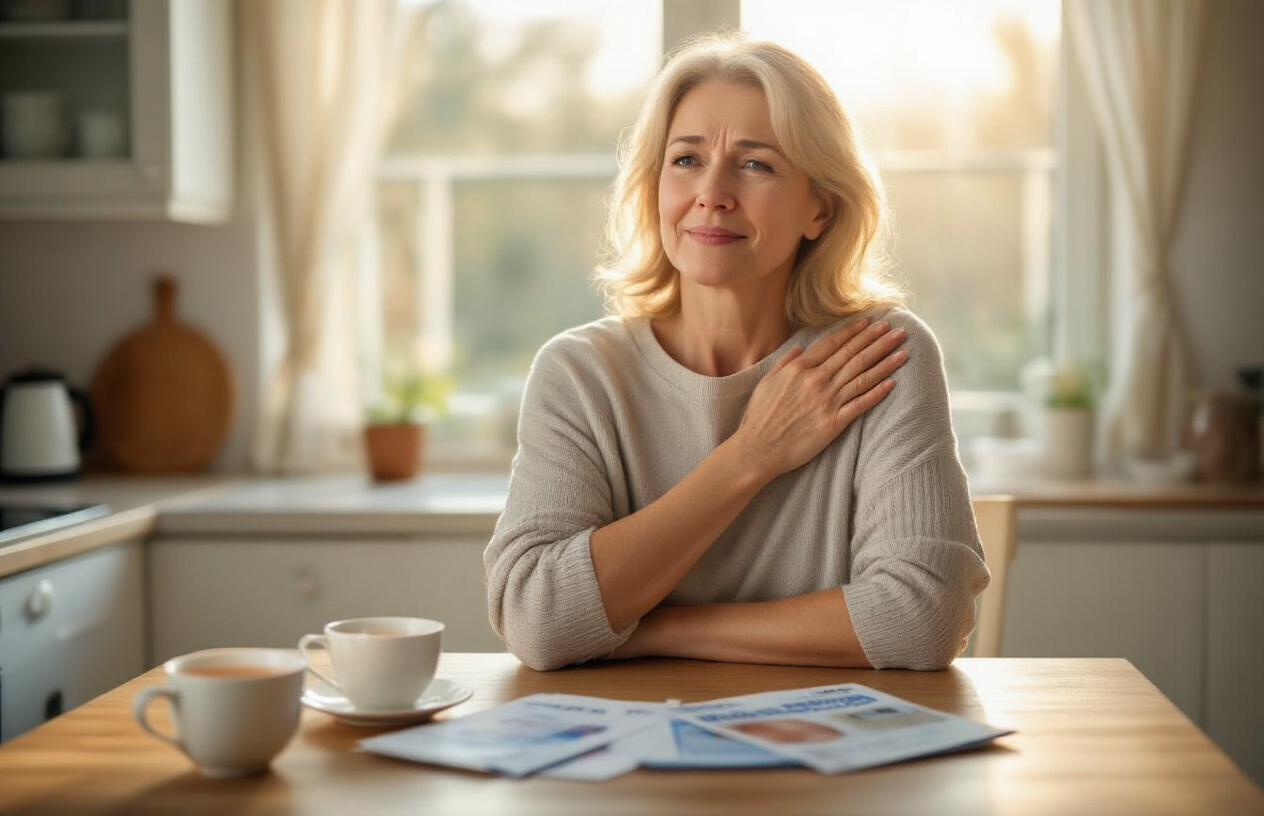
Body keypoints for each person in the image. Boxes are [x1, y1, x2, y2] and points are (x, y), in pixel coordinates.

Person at [484, 33, 989, 672]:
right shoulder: (579, 375)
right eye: (687, 159)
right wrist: (752, 453)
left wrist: (652, 629)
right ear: (654, 186)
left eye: (756, 164)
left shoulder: (881, 353)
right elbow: (537, 620)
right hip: (628, 757)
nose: (713, 192)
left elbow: (922, 620)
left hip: (836, 762)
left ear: (820, 210)